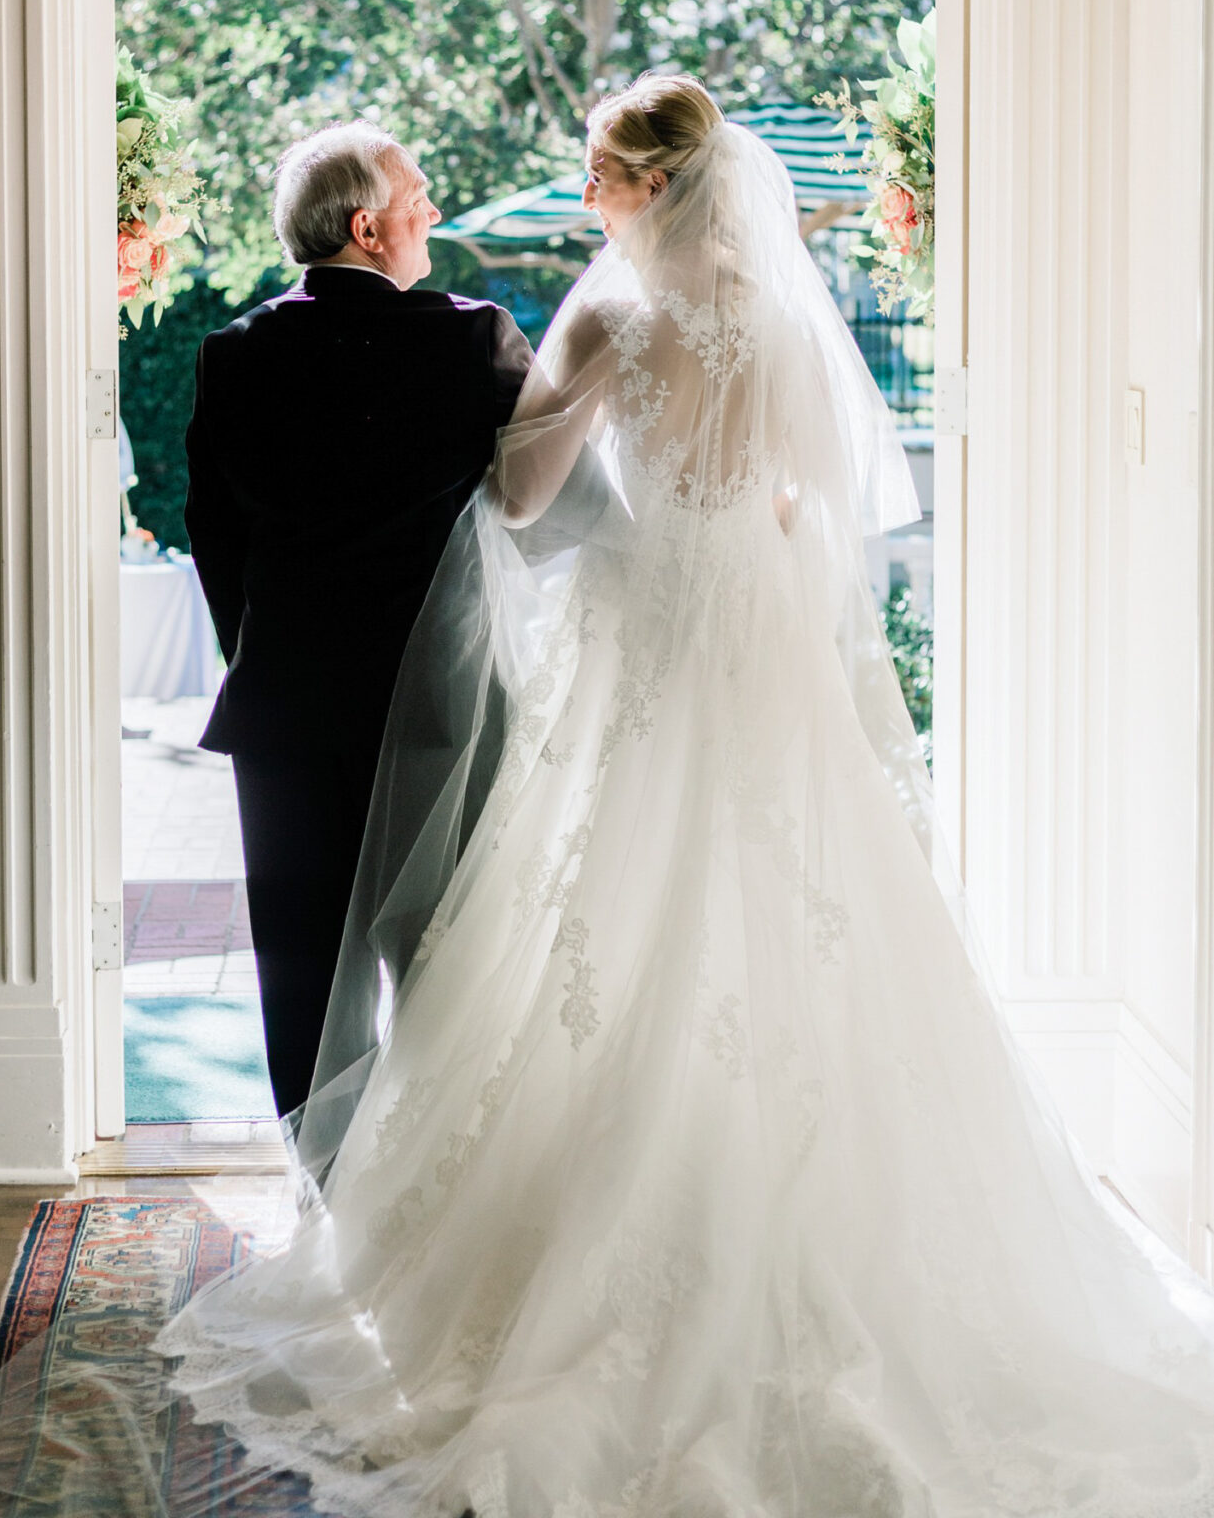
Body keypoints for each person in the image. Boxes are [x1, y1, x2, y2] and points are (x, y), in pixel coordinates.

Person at [145, 73, 1214, 1517]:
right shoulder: (779, 320)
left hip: (623, 644)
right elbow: (811, 502)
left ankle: (397, 1222)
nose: (585, 192)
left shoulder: (600, 315)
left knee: (568, 930)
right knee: (783, 921)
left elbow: (520, 498)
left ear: (648, 183)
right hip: (759, 649)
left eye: (597, 169)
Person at [184, 121, 532, 1118]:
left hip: (286, 713)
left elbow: (216, 539)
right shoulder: (474, 337)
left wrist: (265, 658)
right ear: (367, 225)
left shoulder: (232, 352)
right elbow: (537, 503)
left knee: (302, 972)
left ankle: (324, 1195)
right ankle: (432, 1193)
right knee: (443, 961)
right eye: (416, 193)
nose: (432, 207)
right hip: (444, 709)